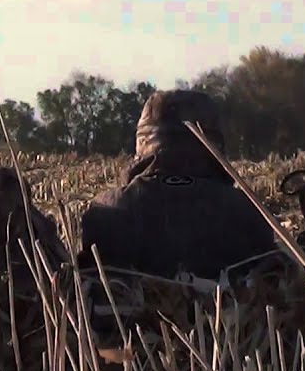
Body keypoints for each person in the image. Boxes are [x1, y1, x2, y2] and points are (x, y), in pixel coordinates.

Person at [78, 89, 277, 279]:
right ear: (214, 144)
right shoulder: (247, 210)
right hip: (227, 314)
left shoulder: (106, 210)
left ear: (141, 143)